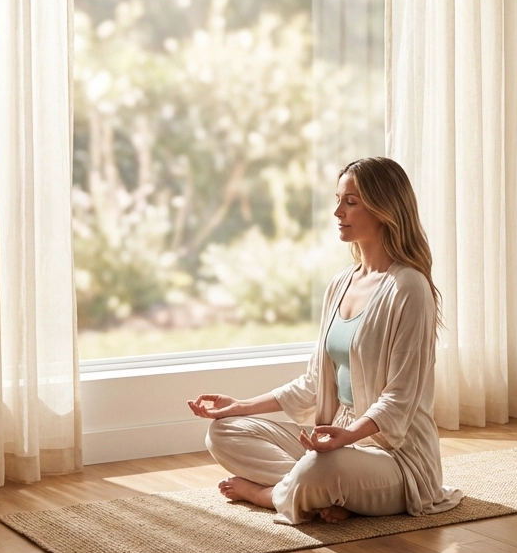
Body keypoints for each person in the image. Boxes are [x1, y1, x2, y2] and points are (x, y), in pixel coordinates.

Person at [187, 156, 463, 524]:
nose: (337, 211)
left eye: (351, 202)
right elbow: (315, 384)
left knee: (319, 465)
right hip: (336, 439)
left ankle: (269, 495)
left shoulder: (408, 287)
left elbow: (399, 400)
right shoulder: (340, 284)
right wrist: (238, 406)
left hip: (395, 457)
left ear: (385, 209)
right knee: (222, 433)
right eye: (338, 199)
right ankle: (323, 493)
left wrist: (347, 438)